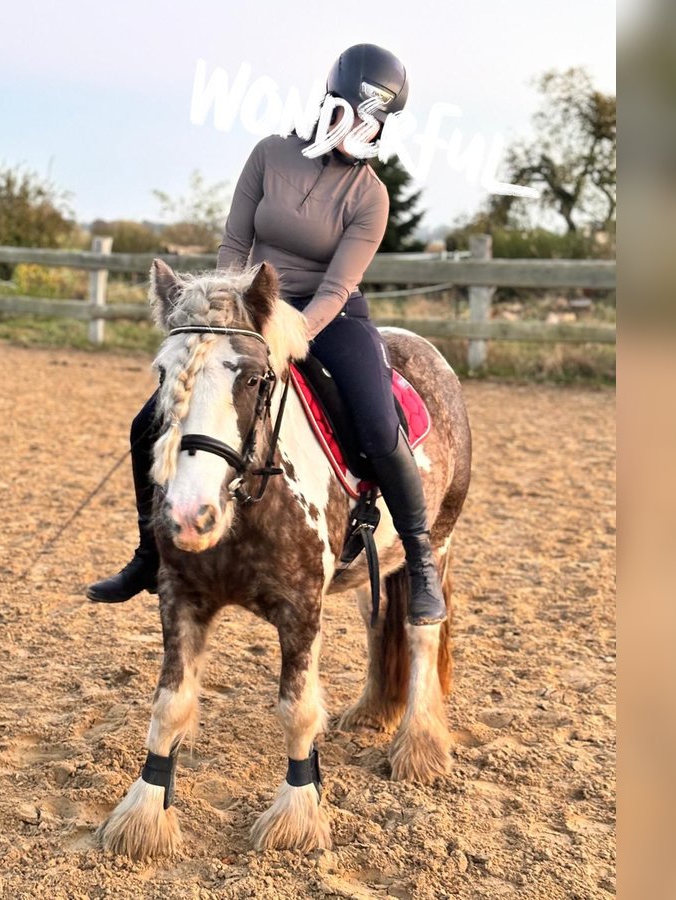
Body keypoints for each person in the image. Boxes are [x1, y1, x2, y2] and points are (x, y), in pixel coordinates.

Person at [86, 43, 446, 627]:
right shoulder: (269, 155)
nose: (366, 127)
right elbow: (234, 247)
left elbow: (336, 286)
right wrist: (234, 310)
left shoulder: (371, 196)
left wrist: (292, 330)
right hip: (249, 302)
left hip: (327, 316)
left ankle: (422, 562)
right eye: (359, 112)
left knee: (380, 427)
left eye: (378, 120)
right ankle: (149, 554)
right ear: (334, 100)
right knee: (149, 418)